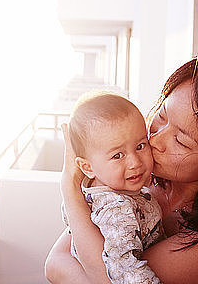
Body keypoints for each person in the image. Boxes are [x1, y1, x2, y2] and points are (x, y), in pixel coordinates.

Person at [45, 56, 198, 284]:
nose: (154, 140)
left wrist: (70, 188)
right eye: (162, 116)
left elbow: (109, 279)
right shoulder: (145, 180)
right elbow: (55, 262)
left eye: (181, 140)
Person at [60, 91, 165, 283]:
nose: (135, 162)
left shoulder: (102, 188)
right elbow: (125, 269)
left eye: (141, 146)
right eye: (118, 156)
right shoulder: (116, 210)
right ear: (87, 167)